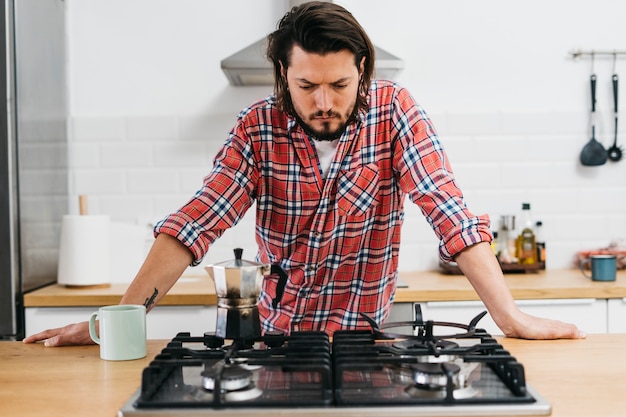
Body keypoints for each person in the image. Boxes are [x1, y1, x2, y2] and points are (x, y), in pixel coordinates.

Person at [25, 1, 583, 347]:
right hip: (277, 342)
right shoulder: (256, 128)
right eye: (306, 86)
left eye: (338, 86)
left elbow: (447, 207)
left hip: (368, 343)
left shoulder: (395, 112)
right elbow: (196, 221)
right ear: (282, 75)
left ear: (361, 70)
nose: (323, 102)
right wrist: (117, 321)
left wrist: (507, 315)